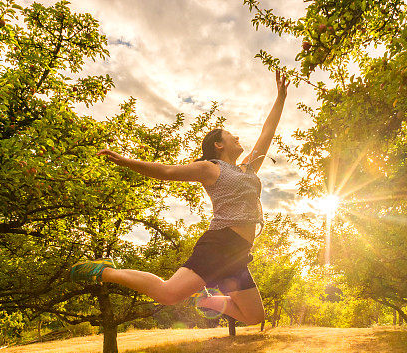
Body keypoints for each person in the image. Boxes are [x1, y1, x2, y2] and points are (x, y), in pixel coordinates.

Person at [69, 70, 290, 326]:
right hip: (221, 243)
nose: (238, 137)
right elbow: (166, 171)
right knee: (168, 294)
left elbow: (267, 132)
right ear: (218, 145)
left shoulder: (247, 168)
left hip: (239, 252)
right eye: (231, 135)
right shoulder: (210, 168)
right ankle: (104, 271)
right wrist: (124, 160)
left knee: (254, 317)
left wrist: (281, 98)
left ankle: (205, 300)